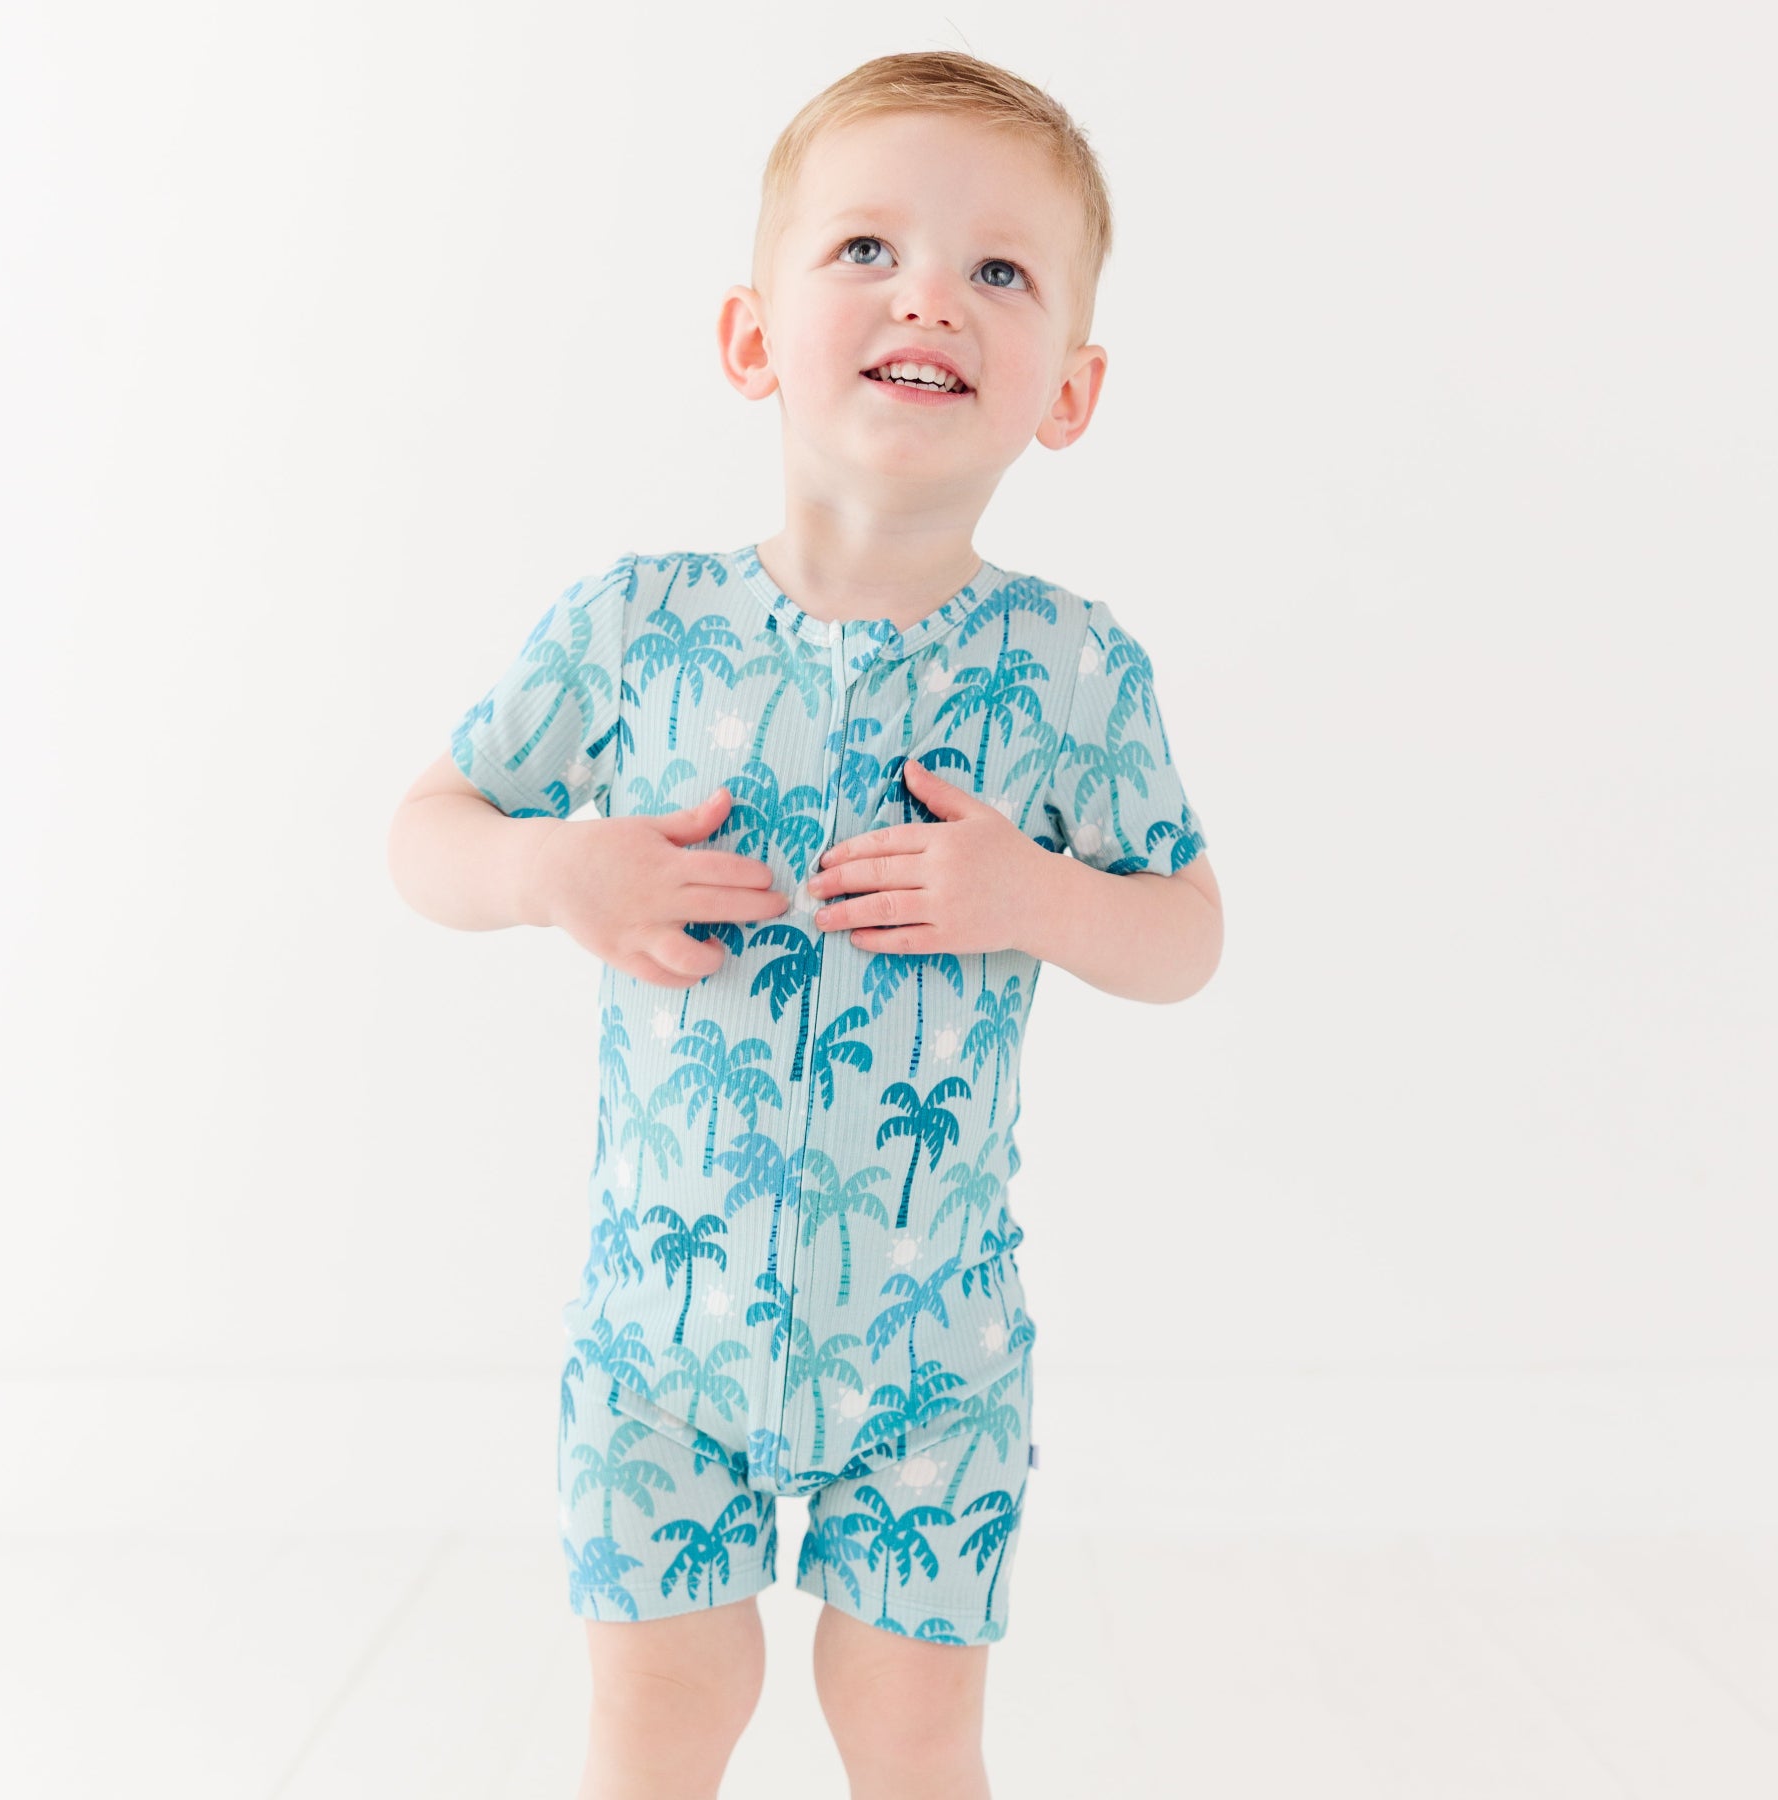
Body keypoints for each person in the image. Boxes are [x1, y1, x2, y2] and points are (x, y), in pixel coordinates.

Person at [389, 46, 1223, 1800]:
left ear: (1065, 389)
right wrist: (555, 873)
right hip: (655, 1344)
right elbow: (428, 829)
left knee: (913, 1728)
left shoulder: (1074, 670)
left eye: (998, 271)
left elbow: (1187, 930)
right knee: (662, 1709)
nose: (930, 291)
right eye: (867, 249)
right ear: (752, 337)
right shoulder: (635, 627)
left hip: (934, 1353)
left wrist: (1039, 894)